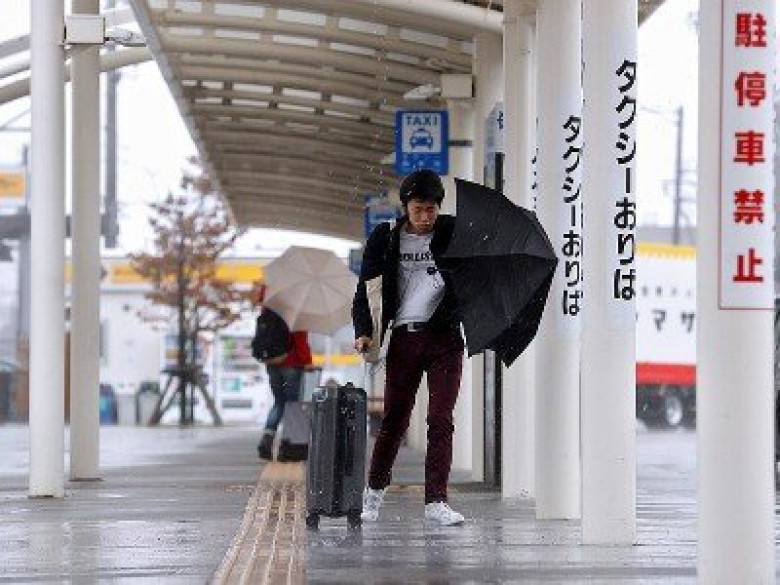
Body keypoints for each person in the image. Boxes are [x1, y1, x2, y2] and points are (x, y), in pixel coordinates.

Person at [352, 168, 465, 526]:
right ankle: (373, 493)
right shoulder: (385, 237)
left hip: (445, 338)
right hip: (404, 337)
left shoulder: (453, 233)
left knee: (440, 420)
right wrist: (364, 330)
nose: (425, 217)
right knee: (394, 420)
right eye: (418, 209)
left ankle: (437, 501)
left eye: (431, 209)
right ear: (405, 207)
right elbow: (365, 289)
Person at [257, 329, 313, 460]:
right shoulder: (296, 317)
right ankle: (287, 446)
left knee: (279, 402)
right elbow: (300, 340)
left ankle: (267, 438)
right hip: (291, 364)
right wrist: (307, 361)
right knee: (292, 405)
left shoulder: (272, 315)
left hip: (272, 363)